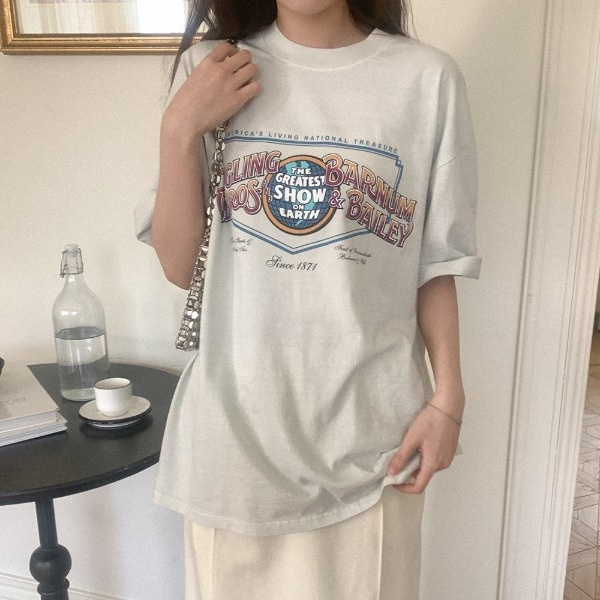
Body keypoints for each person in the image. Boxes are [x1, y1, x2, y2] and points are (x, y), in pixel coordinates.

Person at [135, 1, 481, 598]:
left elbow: (435, 261)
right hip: (236, 445)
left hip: (373, 445)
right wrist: (178, 130)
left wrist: (448, 397)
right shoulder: (213, 68)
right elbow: (180, 265)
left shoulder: (427, 79)